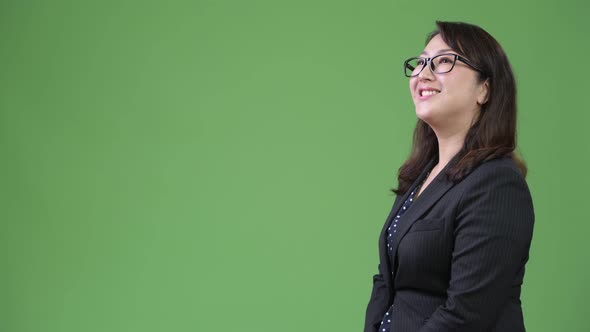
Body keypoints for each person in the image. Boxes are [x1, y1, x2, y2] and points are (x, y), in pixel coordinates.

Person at [363, 21, 535, 332]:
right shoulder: (420, 177)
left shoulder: (497, 183)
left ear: (485, 88)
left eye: (444, 61)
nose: (423, 74)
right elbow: (386, 282)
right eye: (420, 62)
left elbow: (466, 315)